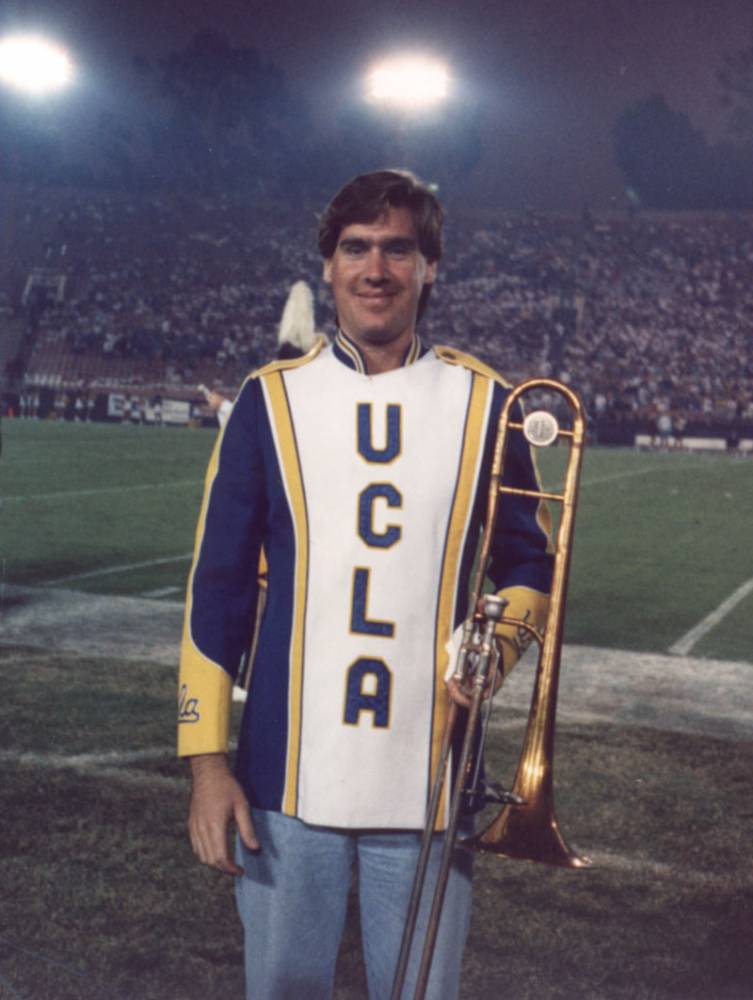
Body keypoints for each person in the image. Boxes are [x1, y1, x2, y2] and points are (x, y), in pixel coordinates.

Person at [177, 169, 553, 1000]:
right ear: (328, 266)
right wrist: (207, 766)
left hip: (432, 779)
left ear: (430, 268)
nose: (374, 269)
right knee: (283, 988)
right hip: (283, 783)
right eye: (355, 248)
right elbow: (219, 591)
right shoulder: (266, 402)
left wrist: (496, 651)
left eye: (397, 249)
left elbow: (530, 564)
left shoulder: (489, 404)